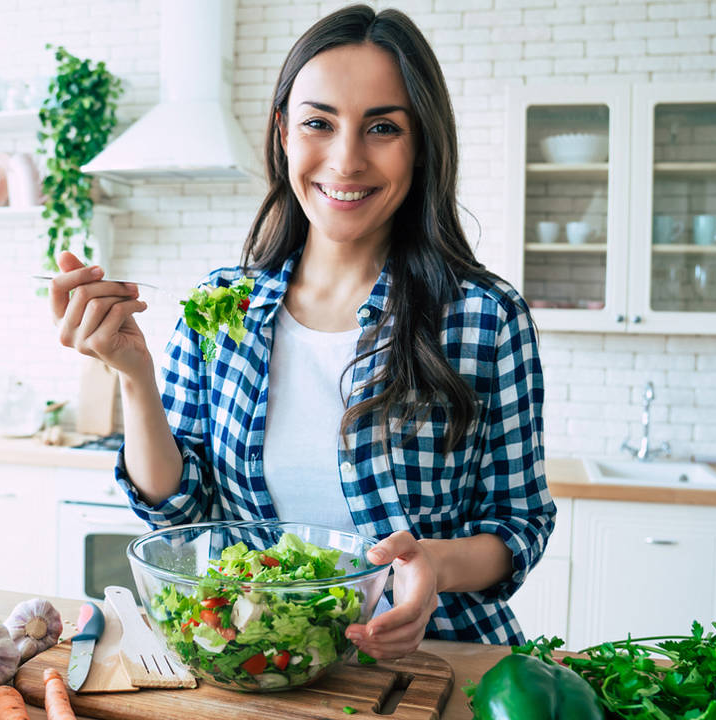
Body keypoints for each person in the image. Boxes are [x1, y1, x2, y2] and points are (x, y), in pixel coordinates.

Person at [50, 5, 554, 658]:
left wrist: (432, 566)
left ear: (421, 143)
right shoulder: (219, 307)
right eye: (320, 122)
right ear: (285, 131)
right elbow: (177, 514)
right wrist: (135, 378)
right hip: (256, 662)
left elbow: (519, 522)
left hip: (438, 658)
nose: (346, 160)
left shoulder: (485, 317)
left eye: (382, 127)